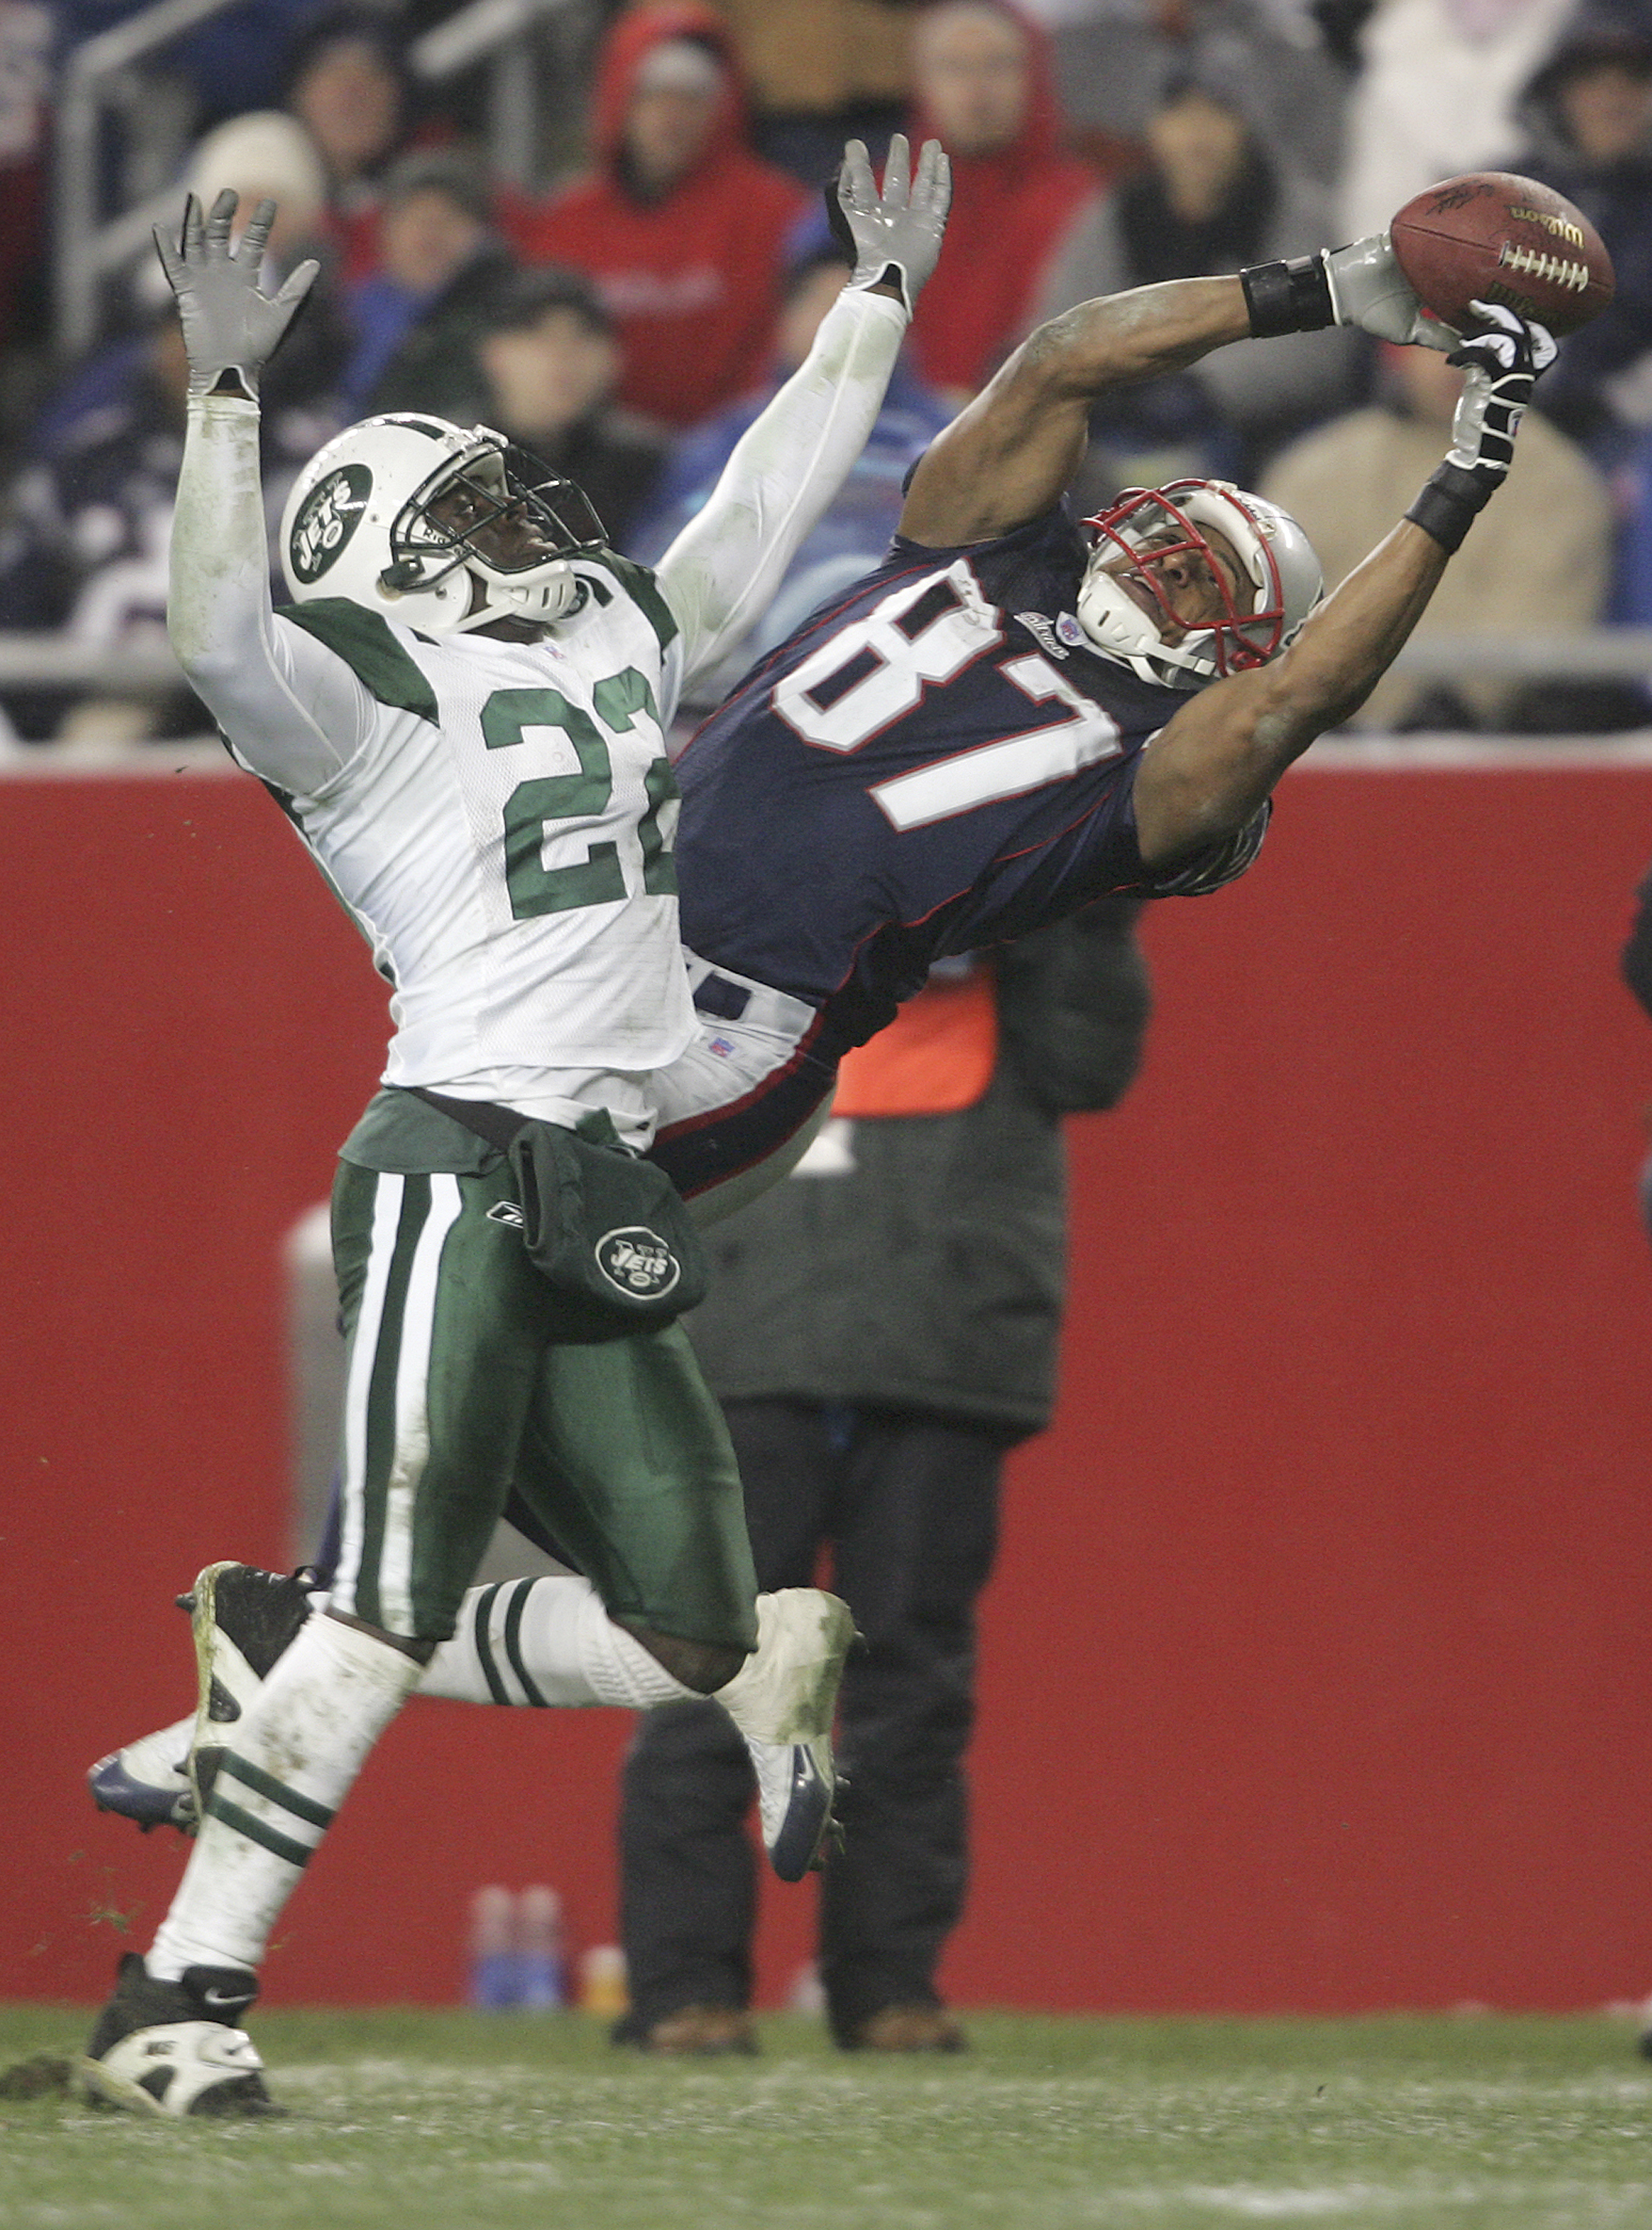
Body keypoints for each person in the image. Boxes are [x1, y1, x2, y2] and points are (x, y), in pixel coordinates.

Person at [93, 207, 1557, 2012]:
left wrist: (1444, 487)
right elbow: (1068, 356)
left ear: (1219, 641)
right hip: (601, 954)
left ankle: (296, 1673)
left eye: (1198, 582)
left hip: (713, 1050)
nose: (1159, 564)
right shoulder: (981, 544)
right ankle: (305, 1633)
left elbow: (1274, 715)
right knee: (518, 1442)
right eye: (1165, 538)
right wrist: (1325, 291)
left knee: (482, 1338)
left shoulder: (1139, 765)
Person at [79, 136, 953, 2119]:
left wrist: (869, 308)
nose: (518, 512)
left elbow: (746, 517)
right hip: (451, 1165)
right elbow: (218, 631)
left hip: (596, 1184)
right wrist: (226, 393)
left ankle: (270, 1651)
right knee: (388, 1601)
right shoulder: (355, 691)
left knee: (698, 1624)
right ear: (382, 550)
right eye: (465, 502)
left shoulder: (609, 635)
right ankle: (177, 1999)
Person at [615, 905, 1151, 2057]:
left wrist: (1094, 907)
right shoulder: (716, 909)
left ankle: (883, 1988)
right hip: (751, 1348)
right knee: (711, 1671)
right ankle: (686, 1991)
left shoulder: (1030, 914)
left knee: (905, 1681)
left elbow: (1088, 1063)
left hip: (933, 1346)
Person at [1033, 47, 1358, 494]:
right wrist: (1116, 385)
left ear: (1247, 123)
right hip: (1118, 426)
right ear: (1153, 125)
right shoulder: (1117, 214)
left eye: (1218, 112)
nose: (1197, 133)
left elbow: (1317, 351)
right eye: (1179, 113)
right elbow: (1059, 325)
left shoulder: (1293, 214)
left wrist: (1202, 389)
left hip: (1263, 439)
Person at [1262, 334, 1610, 729]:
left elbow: (1540, 617)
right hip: (1329, 730)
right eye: (1433, 343)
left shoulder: (1558, 478)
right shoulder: (1316, 467)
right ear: (1396, 353)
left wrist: (1461, 699)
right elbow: (1282, 606)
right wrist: (1352, 708)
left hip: (1497, 739)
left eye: (1480, 345)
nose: (1456, 362)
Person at [502, 4, 808, 432]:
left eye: (692, 97)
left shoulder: (776, 213)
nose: (671, 114)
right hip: (598, 459)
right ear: (618, 98)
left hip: (737, 454)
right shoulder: (567, 223)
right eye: (652, 93)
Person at [901, 0, 1098, 404]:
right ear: (921, 83)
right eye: (954, 68)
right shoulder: (876, 200)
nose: (977, 89)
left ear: (1036, 76)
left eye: (998, 66)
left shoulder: (1085, 206)